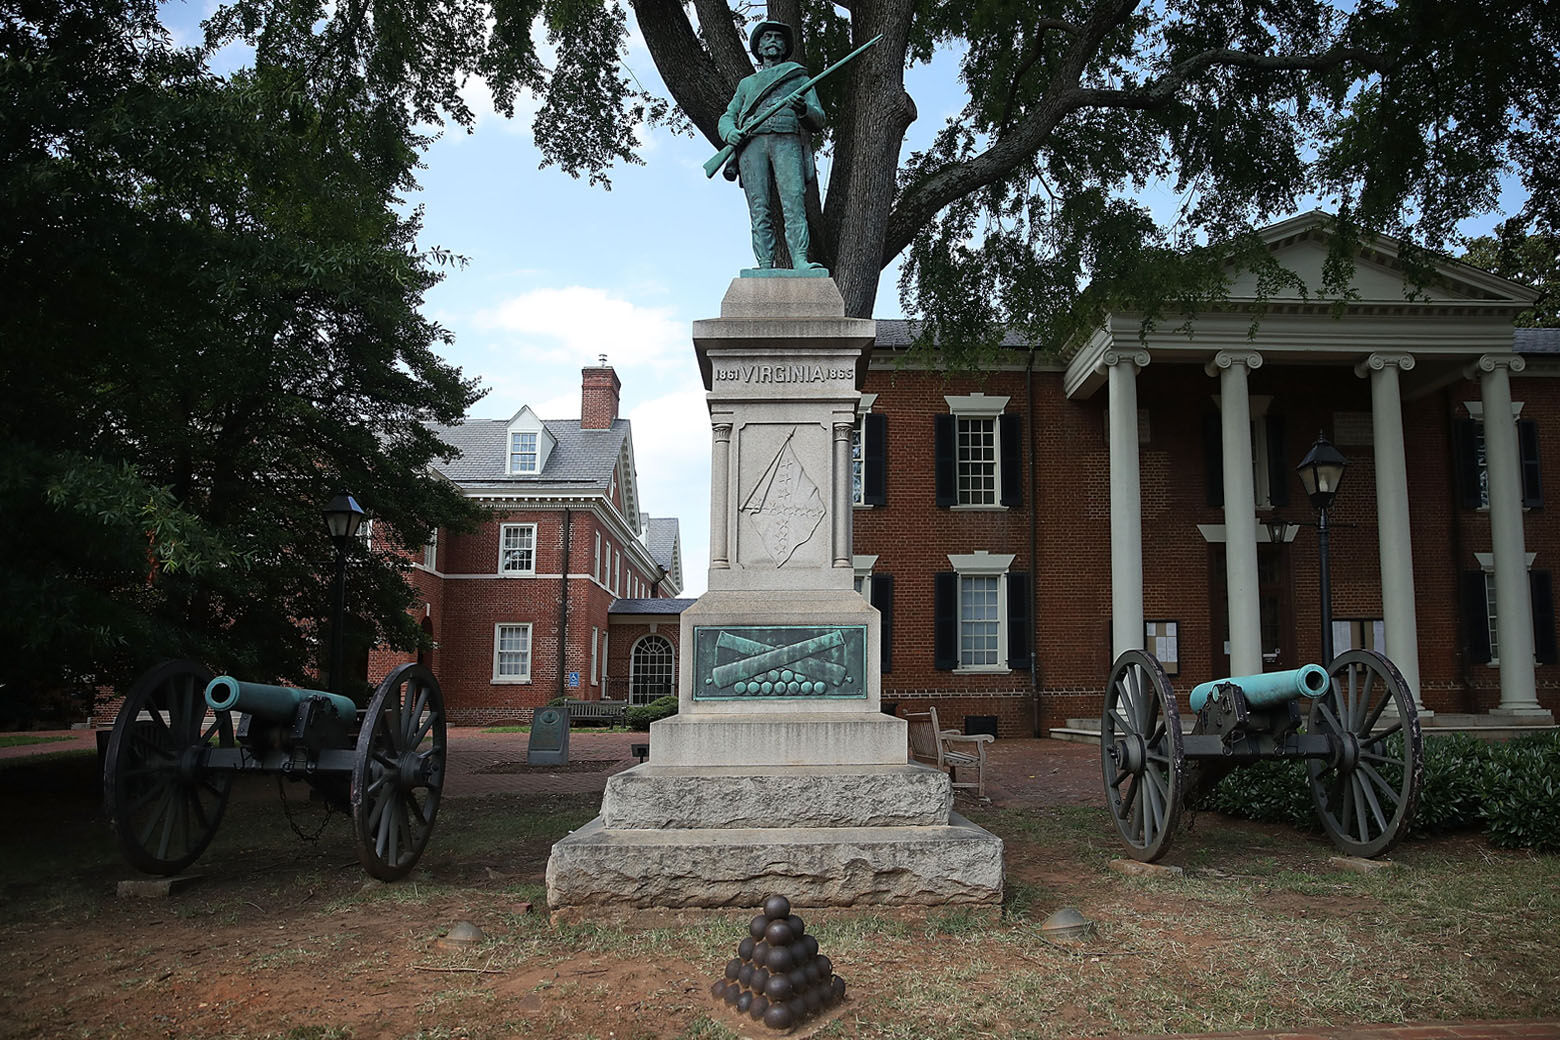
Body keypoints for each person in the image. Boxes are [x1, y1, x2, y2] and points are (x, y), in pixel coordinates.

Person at [718, 21, 826, 271]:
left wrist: (803, 108)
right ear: (758, 46)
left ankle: (800, 259)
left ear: (785, 45)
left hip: (786, 140)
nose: (773, 41)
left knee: (794, 202)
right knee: (759, 207)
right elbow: (728, 115)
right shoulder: (747, 84)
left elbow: (818, 117)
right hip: (752, 144)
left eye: (778, 37)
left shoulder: (798, 76)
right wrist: (730, 133)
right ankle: (765, 263)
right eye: (767, 37)